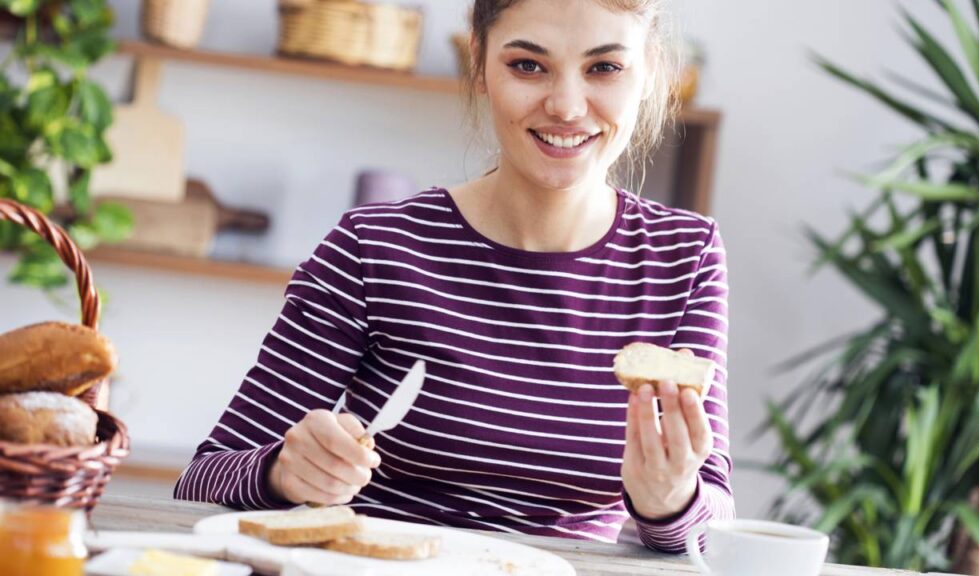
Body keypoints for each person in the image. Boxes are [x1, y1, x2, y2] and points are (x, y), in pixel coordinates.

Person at [174, 0, 734, 554]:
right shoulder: (377, 246)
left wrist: (670, 501)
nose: (566, 105)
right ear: (479, 63)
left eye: (604, 68)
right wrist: (281, 473)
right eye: (527, 65)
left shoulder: (685, 257)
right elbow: (202, 480)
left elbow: (713, 524)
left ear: (651, 72)